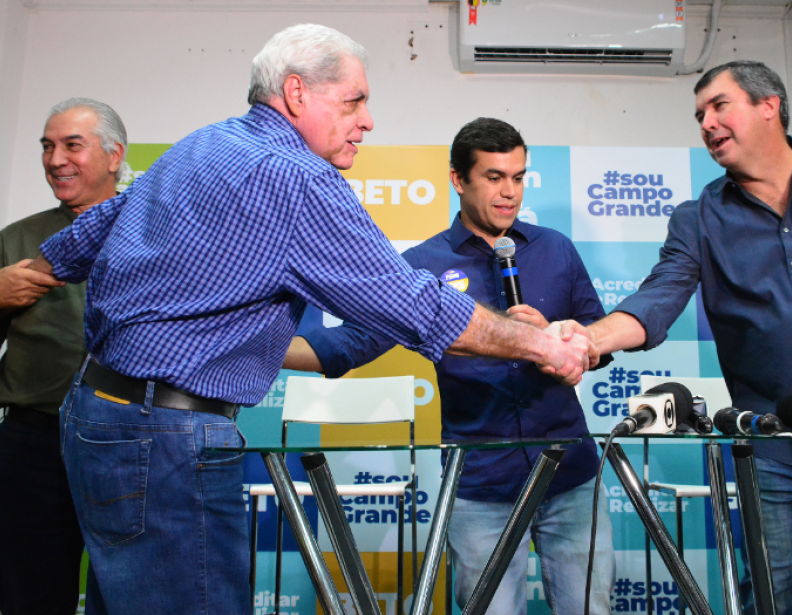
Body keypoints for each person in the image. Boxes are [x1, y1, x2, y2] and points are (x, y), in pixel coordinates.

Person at [28, 25, 594, 615]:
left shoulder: (206, 143)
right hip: (163, 439)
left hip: (97, 415)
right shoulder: (297, 178)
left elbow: (88, 236)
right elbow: (415, 306)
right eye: (354, 102)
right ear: (296, 94)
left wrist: (33, 269)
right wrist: (541, 346)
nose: (368, 120)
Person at [558, 60, 792, 614]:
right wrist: (586, 339)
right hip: (775, 450)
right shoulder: (699, 217)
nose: (705, 123)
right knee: (769, 605)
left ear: (768, 105)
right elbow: (657, 299)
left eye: (718, 106)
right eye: (699, 114)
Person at [286, 118, 616, 614]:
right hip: (481, 484)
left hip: (572, 475)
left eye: (518, 177)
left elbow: (598, 341)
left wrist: (559, 335)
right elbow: (350, 345)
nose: (510, 193)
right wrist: (255, 349)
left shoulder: (555, 249)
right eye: (494, 177)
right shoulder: (421, 266)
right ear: (458, 179)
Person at [0, 98, 127, 615]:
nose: (55, 159)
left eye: (72, 145)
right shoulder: (16, 240)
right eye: (48, 147)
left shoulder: (155, 232)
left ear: (115, 155)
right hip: (33, 445)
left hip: (129, 445)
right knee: (30, 597)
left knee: (127, 595)